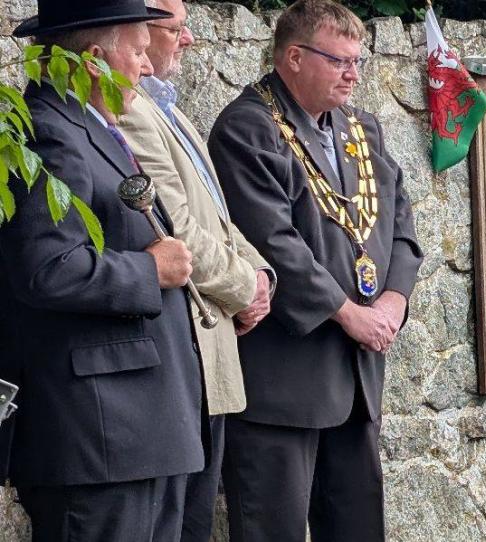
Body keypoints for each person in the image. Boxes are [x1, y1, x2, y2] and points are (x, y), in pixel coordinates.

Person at [207, 1, 423, 540]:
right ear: (294, 58)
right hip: (284, 383)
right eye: (339, 61)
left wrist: (393, 300)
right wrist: (348, 313)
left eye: (357, 61)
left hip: (355, 377)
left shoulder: (361, 127)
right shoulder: (246, 129)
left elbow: (400, 220)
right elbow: (273, 242)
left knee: (357, 527)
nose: (353, 74)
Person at [0, 0, 208, 540]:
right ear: (94, 60)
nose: (147, 66)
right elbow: (48, 268)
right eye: (138, 52)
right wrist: (149, 270)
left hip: (139, 432)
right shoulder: (48, 132)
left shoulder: (88, 127)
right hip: (101, 436)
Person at [116, 0, 275, 539]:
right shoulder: (131, 110)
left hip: (210, 353)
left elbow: (217, 216)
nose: (187, 40)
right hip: (184, 352)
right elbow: (176, 227)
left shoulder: (168, 108)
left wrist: (260, 274)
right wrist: (243, 286)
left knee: (195, 521)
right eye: (175, 29)